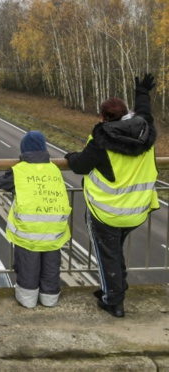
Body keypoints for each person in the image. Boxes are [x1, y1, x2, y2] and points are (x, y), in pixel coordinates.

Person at [65, 73, 159, 318]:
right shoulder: (145, 131)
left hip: (106, 213)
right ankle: (116, 286)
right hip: (138, 210)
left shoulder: (101, 140)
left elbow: (80, 166)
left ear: (104, 118)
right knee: (114, 251)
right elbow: (145, 112)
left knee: (108, 255)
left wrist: (69, 156)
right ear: (127, 114)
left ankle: (113, 301)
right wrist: (142, 91)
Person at [0, 131, 71, 308]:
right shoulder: (55, 170)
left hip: (28, 233)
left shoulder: (19, 171)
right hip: (54, 232)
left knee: (28, 266)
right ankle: (49, 298)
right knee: (51, 266)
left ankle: (27, 300)